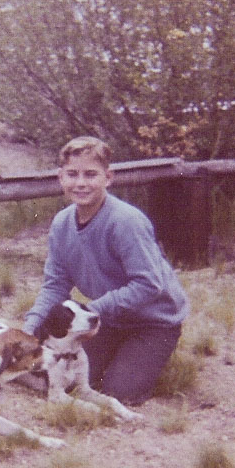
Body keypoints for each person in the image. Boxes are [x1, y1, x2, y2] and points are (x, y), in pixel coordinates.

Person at [24, 136, 189, 405]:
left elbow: (149, 285)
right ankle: (118, 353)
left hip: (152, 321)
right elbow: (55, 285)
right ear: (60, 178)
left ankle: (149, 356)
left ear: (108, 177)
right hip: (105, 320)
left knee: (118, 393)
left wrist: (91, 311)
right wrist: (31, 329)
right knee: (71, 381)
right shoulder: (62, 223)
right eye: (72, 174)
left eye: (91, 174)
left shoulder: (126, 221)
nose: (80, 183)